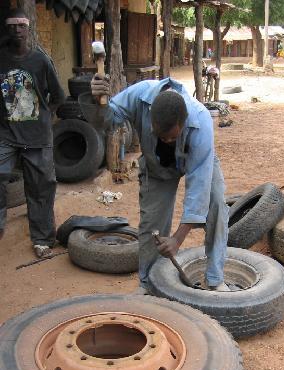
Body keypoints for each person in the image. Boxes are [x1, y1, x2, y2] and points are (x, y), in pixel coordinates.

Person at [87, 76, 229, 292]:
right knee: (151, 225)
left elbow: (198, 188)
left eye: (172, 138)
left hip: (197, 159)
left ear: (183, 123)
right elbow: (110, 119)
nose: (167, 141)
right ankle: (148, 283)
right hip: (156, 164)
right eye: (161, 136)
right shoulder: (140, 96)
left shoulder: (200, 121)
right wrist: (98, 101)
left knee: (217, 204)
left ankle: (215, 278)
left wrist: (177, 239)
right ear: (150, 117)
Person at [0, 9, 64, 257]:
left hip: (37, 136)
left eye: (21, 26)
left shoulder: (40, 60)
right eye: (12, 26)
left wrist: (45, 119)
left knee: (41, 188)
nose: (17, 30)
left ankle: (43, 240)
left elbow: (58, 97)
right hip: (6, 134)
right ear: (7, 29)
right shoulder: (1, 59)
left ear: (28, 30)